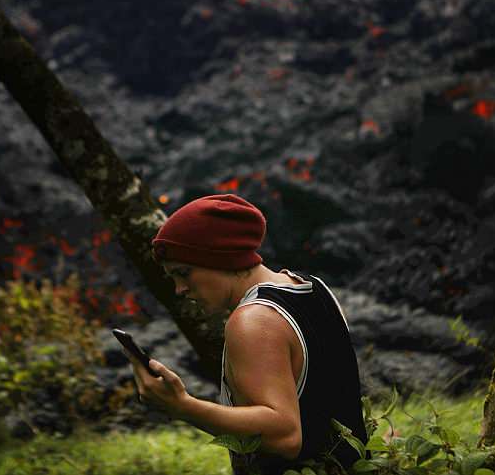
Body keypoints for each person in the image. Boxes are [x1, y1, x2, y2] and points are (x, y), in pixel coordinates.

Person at [121, 193, 369, 475]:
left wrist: (183, 406)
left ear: (220, 258)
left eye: (184, 273)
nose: (180, 289)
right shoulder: (316, 289)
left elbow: (286, 436)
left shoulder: (252, 320)